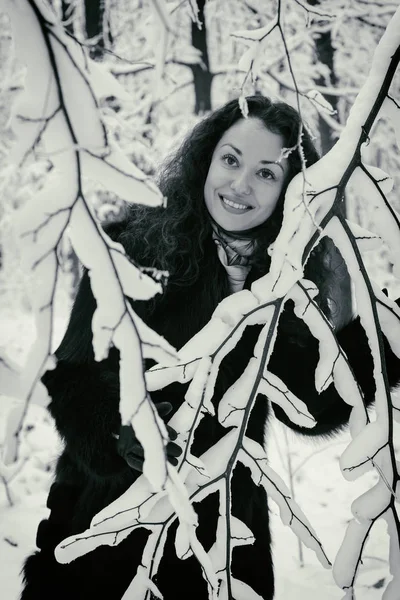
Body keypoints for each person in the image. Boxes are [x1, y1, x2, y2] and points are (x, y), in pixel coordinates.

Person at [20, 96, 400, 600]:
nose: (240, 184)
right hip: (99, 529)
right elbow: (69, 379)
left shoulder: (289, 280)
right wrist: (120, 424)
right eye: (231, 160)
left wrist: (378, 344)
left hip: (226, 540)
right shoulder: (128, 251)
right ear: (206, 159)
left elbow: (308, 409)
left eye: (267, 173)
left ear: (291, 189)